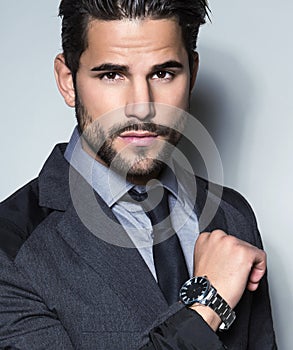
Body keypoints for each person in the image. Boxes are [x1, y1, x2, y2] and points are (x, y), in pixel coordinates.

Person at [0, 0, 277, 349]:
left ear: (192, 72)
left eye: (163, 73)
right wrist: (207, 305)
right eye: (112, 75)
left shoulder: (231, 214)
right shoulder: (11, 247)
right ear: (68, 81)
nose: (142, 106)